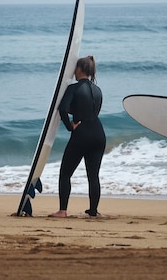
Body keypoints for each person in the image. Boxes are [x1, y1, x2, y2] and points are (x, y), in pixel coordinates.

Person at [51, 55, 106, 218]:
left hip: (81, 134)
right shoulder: (98, 90)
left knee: (65, 173)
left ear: (80, 69)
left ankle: (63, 210)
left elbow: (62, 109)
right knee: (93, 175)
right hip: (99, 134)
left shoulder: (73, 88)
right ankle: (93, 212)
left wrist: (70, 127)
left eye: (75, 68)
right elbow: (93, 111)